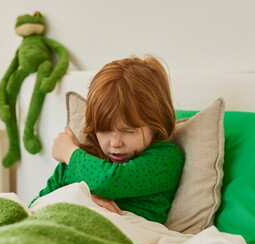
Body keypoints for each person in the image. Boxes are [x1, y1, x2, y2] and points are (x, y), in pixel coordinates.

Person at [31, 56, 184, 224]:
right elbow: (35, 206)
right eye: (104, 130)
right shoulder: (79, 161)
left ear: (155, 125)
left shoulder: (166, 157)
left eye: (128, 131)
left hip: (127, 233)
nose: (115, 142)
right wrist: (83, 198)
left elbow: (110, 180)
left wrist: (68, 152)